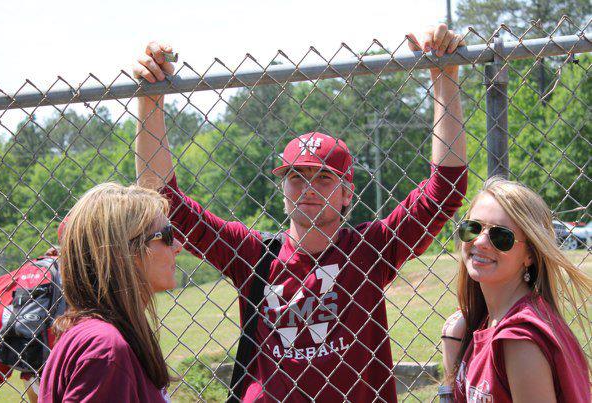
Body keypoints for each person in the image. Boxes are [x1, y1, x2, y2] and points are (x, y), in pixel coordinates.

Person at [134, 24, 467, 402]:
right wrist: (151, 103)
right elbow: (165, 203)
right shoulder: (254, 254)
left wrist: (444, 80)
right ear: (282, 190)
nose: (308, 188)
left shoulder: (370, 249)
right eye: (296, 176)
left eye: (324, 177)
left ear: (346, 194)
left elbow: (446, 191)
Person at [441, 178, 591, 402]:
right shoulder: (487, 322)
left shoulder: (518, 339)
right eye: (473, 228)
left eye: (501, 237)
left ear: (530, 254)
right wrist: (454, 346)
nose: (481, 241)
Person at [38, 183, 182, 402]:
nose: (178, 245)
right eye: (167, 236)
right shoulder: (105, 349)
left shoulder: (104, 336)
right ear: (125, 252)